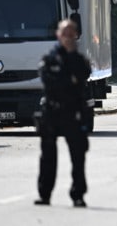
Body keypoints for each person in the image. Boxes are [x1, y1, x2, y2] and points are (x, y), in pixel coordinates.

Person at [35, 19, 91, 208]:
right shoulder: (50, 58)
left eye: (70, 33)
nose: (67, 37)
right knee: (48, 156)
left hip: (73, 112)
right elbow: (49, 82)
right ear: (58, 35)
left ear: (75, 35)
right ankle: (45, 194)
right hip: (52, 111)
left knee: (78, 155)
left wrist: (67, 80)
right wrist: (70, 81)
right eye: (64, 33)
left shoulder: (79, 60)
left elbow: (83, 76)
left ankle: (78, 194)